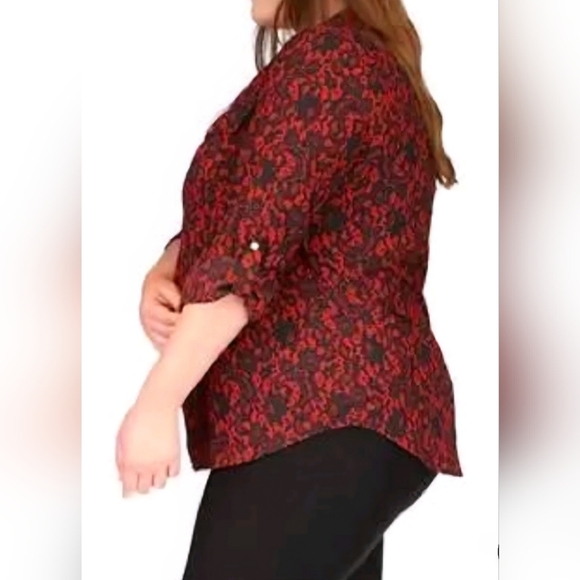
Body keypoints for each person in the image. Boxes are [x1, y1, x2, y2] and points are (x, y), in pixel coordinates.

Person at [115, 0, 462, 578]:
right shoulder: (354, 60)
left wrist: (155, 403)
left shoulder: (331, 63)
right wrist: (168, 266)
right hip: (355, 417)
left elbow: (250, 252)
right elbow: (273, 212)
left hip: (322, 413)